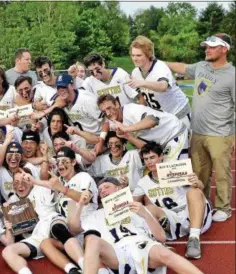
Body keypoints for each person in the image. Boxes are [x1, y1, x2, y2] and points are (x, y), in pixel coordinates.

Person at [52, 177, 235, 274]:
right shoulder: (95, 215)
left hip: (141, 245)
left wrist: (145, 214)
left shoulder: (135, 206)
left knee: (167, 255)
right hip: (116, 253)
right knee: (91, 239)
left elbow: (161, 237)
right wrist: (80, 205)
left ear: (119, 188)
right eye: (100, 190)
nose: (103, 191)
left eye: (106, 187)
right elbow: (74, 228)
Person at [165, 33, 235, 222]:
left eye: (212, 47)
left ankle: (223, 207)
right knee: (198, 171)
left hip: (220, 134)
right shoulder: (202, 66)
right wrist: (159, 62)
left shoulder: (232, 75)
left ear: (224, 49)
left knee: (221, 172)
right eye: (206, 46)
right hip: (197, 131)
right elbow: (182, 67)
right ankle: (202, 203)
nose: (207, 49)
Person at [133, 142, 213, 259]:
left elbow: (200, 188)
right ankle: (156, 242)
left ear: (161, 157)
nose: (149, 162)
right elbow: (133, 203)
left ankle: (194, 239)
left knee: (194, 192)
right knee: (149, 209)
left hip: (191, 212)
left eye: (152, 157)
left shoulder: (175, 170)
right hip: (170, 217)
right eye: (146, 159)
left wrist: (197, 182)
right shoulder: (143, 182)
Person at [98, 94, 188, 162]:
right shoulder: (116, 122)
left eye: (109, 108)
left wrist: (126, 129)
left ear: (117, 104)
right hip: (162, 143)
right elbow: (145, 146)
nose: (108, 113)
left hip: (174, 132)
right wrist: (127, 136)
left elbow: (152, 121)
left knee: (174, 174)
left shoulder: (132, 110)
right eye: (104, 111)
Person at [129, 36, 191, 128]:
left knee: (185, 142)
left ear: (148, 54)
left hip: (178, 112)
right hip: (161, 116)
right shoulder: (135, 72)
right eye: (133, 55)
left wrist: (143, 83)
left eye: (139, 55)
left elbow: (163, 86)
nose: (135, 58)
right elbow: (142, 97)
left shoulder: (160, 67)